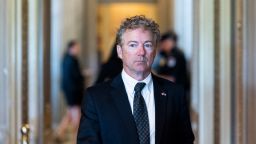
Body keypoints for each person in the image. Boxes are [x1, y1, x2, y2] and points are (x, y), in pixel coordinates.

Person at [77, 15, 194, 144]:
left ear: (154, 51)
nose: (141, 52)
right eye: (133, 45)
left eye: (147, 45)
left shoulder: (175, 94)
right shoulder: (96, 97)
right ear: (120, 51)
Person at [56, 40, 85, 143]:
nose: (78, 49)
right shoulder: (71, 61)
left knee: (69, 114)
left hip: (71, 92)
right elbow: (73, 78)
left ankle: (59, 132)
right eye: (76, 47)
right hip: (73, 93)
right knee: (77, 118)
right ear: (71, 48)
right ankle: (75, 140)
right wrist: (82, 76)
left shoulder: (68, 59)